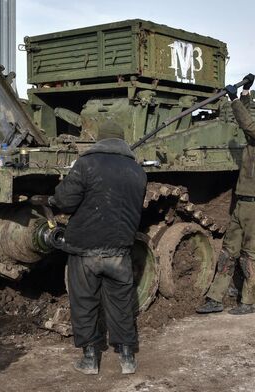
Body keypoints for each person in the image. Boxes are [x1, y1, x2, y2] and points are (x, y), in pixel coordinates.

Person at [47, 120, 147, 375]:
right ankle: (127, 358)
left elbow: (65, 202)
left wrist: (53, 197)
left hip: (85, 252)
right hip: (120, 251)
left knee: (84, 303)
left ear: (100, 140)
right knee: (122, 305)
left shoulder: (86, 164)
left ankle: (90, 360)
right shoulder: (138, 171)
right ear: (122, 141)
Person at [197, 74, 255, 315]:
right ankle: (215, 298)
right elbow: (248, 125)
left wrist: (234, 99)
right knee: (229, 253)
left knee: (250, 255)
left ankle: (249, 301)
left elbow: (248, 124)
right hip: (243, 203)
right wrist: (245, 94)